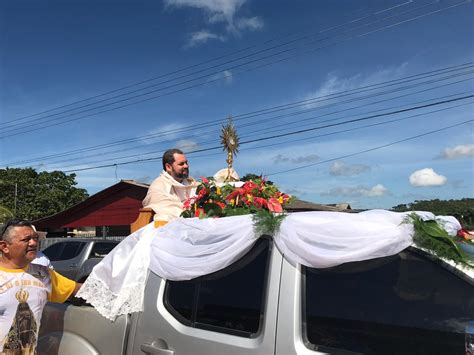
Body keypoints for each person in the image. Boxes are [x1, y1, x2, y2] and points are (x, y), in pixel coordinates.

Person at [0, 219, 80, 354]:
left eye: (35, 238)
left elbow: (78, 290)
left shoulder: (44, 274)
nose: (33, 243)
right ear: (4, 247)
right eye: (26, 239)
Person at [143, 148, 198, 223]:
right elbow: (171, 213)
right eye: (181, 164)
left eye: (186, 163)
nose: (186, 166)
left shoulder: (192, 183)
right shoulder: (158, 186)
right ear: (168, 167)